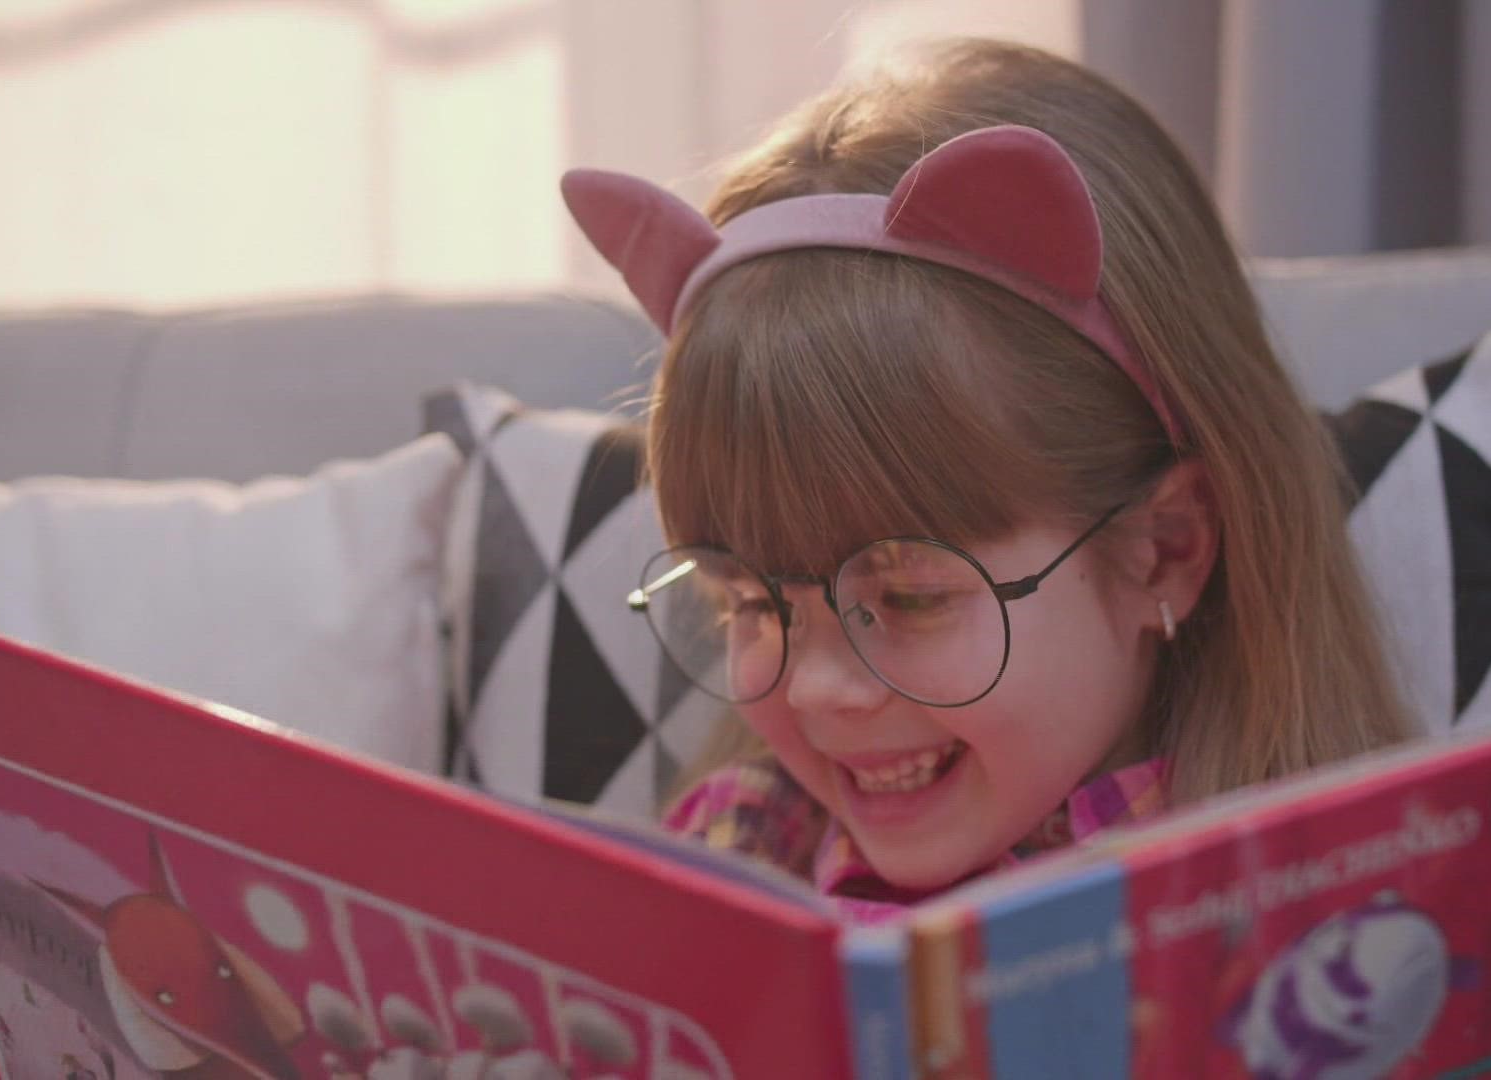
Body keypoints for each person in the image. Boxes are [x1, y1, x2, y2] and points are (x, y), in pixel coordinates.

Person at [561, 38, 1411, 922]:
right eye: (750, 603)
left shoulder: (1321, 919)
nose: (817, 688)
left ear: (1164, 550)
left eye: (912, 596)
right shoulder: (739, 852)